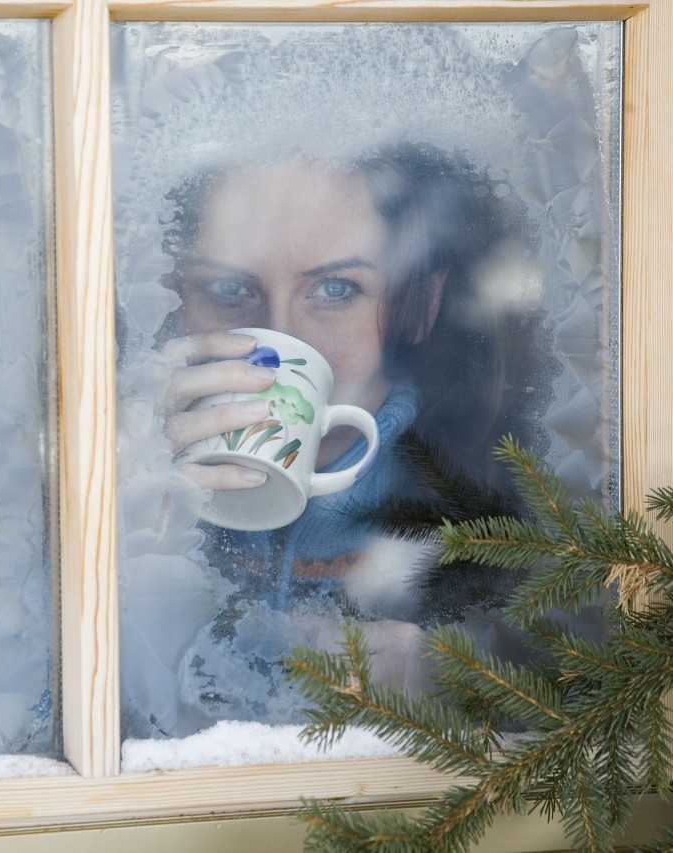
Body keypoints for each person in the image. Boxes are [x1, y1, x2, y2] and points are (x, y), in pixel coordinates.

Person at [123, 141, 545, 737]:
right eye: (227, 291)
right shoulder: (128, 473)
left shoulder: (484, 502)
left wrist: (452, 687)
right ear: (168, 300)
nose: (278, 338)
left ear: (418, 306)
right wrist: (127, 524)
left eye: (336, 290)